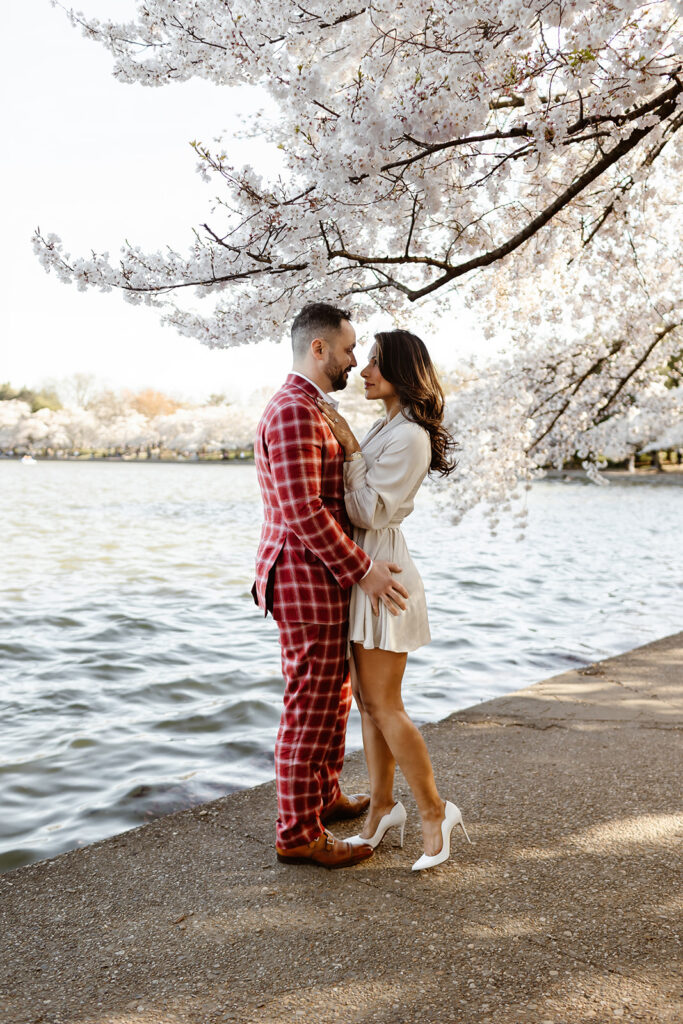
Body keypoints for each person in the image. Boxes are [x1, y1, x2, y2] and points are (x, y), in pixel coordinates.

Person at [252, 302, 410, 869]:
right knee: (309, 706)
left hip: (315, 576)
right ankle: (297, 834)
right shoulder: (295, 410)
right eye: (347, 349)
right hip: (304, 576)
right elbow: (302, 509)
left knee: (331, 699)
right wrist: (363, 570)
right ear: (317, 349)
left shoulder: (312, 407)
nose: (353, 360)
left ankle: (321, 798)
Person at [318, 329, 472, 871]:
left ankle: (434, 810)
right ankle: (382, 806)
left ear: (401, 371)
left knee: (385, 704)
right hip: (367, 570)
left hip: (385, 571)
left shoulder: (409, 437)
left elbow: (367, 511)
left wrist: (351, 449)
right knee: (367, 701)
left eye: (376, 363)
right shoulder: (389, 424)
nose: (363, 371)